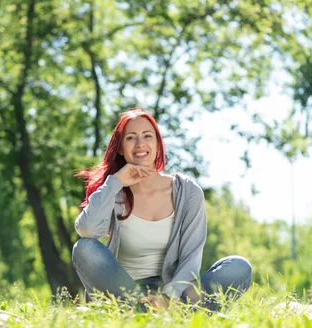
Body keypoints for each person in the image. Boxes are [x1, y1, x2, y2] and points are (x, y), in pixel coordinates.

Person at [72, 108, 252, 311]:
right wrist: (115, 182)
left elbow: (191, 257)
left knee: (239, 267)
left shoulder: (187, 192)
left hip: (176, 294)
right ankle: (144, 309)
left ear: (157, 144)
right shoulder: (114, 192)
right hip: (124, 290)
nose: (140, 143)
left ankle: (157, 312)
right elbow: (87, 230)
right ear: (121, 148)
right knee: (83, 248)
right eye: (131, 138)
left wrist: (168, 297)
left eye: (147, 136)